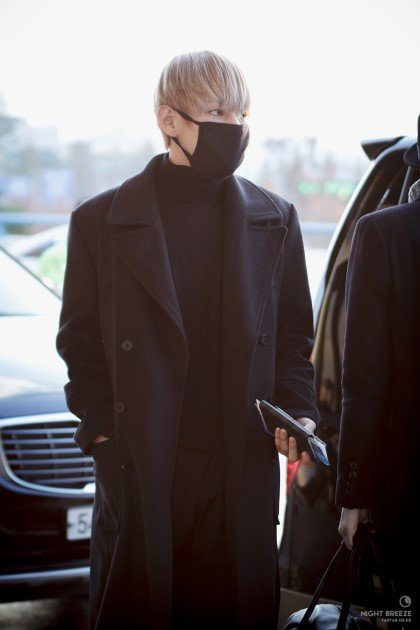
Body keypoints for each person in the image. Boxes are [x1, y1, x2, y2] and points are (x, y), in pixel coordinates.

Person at [56, 50, 320, 630]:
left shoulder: (277, 219)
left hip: (237, 467)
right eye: (217, 111)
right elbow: (80, 341)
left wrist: (297, 412)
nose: (234, 127)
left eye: (241, 114)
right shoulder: (99, 221)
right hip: (142, 463)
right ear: (168, 119)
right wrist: (102, 433)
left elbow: (293, 341)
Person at [336, 115, 420, 610]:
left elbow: (365, 381)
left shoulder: (385, 233)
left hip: (407, 493)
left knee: (398, 613)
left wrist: (355, 494)